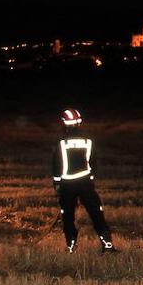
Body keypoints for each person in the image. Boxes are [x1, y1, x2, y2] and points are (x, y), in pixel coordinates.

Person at [53, 108, 115, 253]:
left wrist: (57, 184)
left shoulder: (61, 142)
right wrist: (90, 178)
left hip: (67, 185)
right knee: (96, 213)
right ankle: (108, 245)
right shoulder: (88, 140)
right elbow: (93, 161)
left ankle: (71, 246)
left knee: (68, 217)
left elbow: (57, 165)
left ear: (64, 123)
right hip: (85, 183)